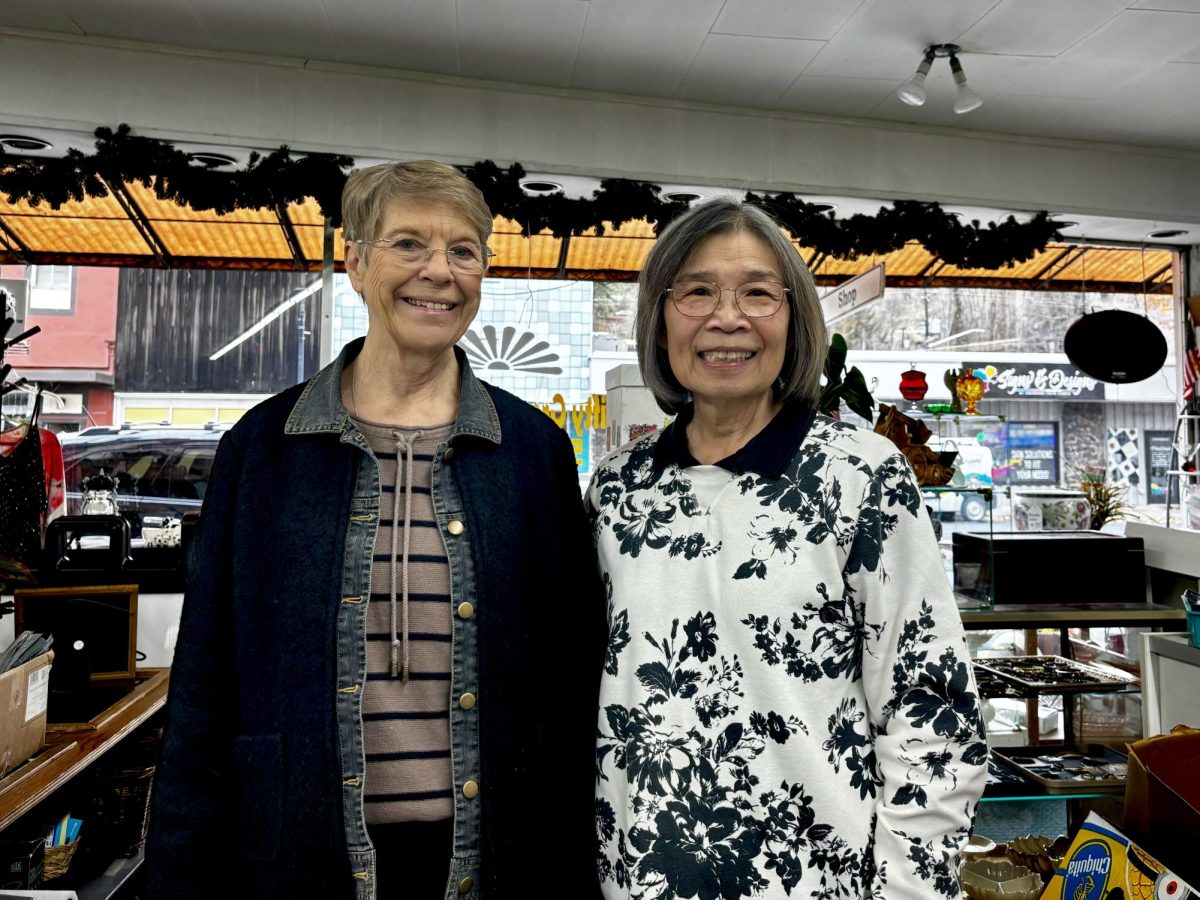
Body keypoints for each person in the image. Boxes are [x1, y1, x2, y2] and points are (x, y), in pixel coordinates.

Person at [146, 160, 604, 899]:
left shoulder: (530, 453)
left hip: (496, 857)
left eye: (463, 250)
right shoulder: (265, 448)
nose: (439, 272)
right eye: (409, 244)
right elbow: (206, 682)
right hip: (299, 855)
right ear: (356, 263)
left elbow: (572, 679)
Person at [588, 198, 986, 900]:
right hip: (635, 879)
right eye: (698, 291)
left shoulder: (859, 475)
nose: (727, 317)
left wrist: (907, 891)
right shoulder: (619, 487)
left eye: (758, 293)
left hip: (815, 883)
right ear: (660, 316)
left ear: (794, 316)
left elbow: (933, 710)